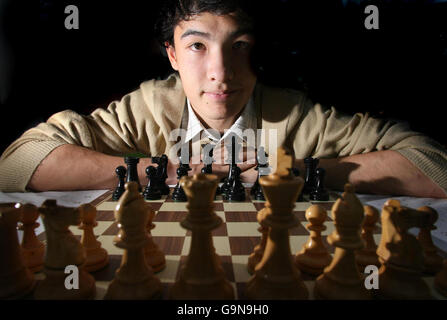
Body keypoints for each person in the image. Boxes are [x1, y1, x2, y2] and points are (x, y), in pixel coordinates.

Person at [0, 0, 446, 198]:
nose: (220, 73)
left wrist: (292, 172)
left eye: (240, 45)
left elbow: (434, 166)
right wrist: (160, 172)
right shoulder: (146, 107)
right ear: (172, 55)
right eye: (197, 46)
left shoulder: (298, 115)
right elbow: (16, 162)